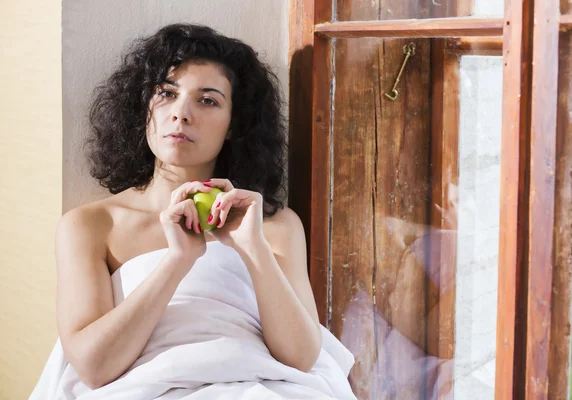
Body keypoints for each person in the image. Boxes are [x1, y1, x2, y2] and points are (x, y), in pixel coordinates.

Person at [30, 23, 355, 399]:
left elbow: (300, 357)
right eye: (167, 93)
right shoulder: (92, 225)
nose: (181, 113)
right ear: (144, 107)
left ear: (235, 124)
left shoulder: (273, 224)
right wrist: (178, 260)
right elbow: (93, 367)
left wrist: (254, 250)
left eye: (207, 100)